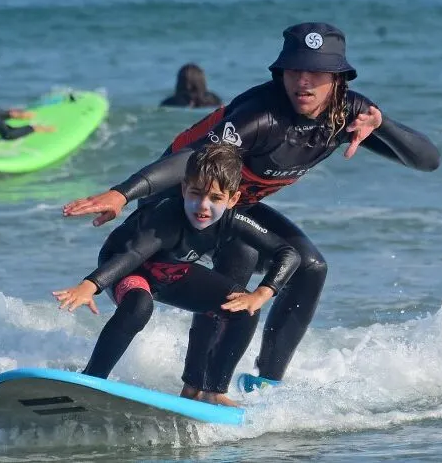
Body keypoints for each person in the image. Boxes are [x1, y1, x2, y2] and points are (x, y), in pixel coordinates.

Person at [62, 22, 441, 392]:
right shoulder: (261, 115)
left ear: (338, 78)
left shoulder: (348, 114)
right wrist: (122, 193)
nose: (303, 81)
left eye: (316, 72)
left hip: (233, 206)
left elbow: (427, 161)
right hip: (182, 200)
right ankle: (199, 386)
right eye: (295, 70)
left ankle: (265, 383)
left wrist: (383, 125)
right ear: (281, 72)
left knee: (310, 267)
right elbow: (193, 157)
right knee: (235, 265)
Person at [53, 143, 301, 406]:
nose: (203, 206)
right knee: (139, 305)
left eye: (215, 198)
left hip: (169, 271)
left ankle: (211, 391)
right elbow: (133, 255)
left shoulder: (232, 220)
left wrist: (263, 293)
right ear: (184, 189)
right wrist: (91, 285)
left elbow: (289, 253)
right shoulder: (167, 217)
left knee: (243, 308)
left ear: (232, 200)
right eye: (195, 194)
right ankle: (93, 380)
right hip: (127, 268)